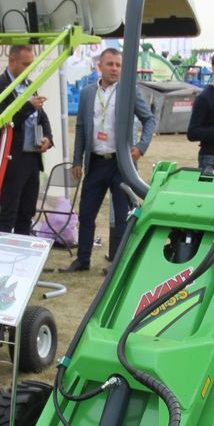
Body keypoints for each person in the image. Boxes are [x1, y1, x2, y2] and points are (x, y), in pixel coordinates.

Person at [65, 47, 155, 271]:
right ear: (100, 66)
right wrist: (77, 159)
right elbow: (81, 128)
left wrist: (141, 147)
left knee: (122, 216)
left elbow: (149, 119)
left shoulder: (128, 91)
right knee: (86, 213)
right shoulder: (87, 93)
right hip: (95, 162)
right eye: (110, 64)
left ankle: (117, 263)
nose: (115, 69)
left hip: (120, 164)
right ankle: (82, 259)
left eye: (118, 65)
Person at [0, 45, 53, 237]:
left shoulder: (30, 84)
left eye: (32, 64)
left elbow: (42, 116)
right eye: (25, 64)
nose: (29, 69)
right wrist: (28, 107)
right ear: (11, 61)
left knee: (27, 213)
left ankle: (21, 260)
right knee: (8, 214)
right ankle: (0, 259)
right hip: (10, 159)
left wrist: (48, 137)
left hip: (32, 159)